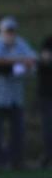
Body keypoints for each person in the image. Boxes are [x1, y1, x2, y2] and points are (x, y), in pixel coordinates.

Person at [0, 16, 37, 168]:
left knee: (17, 132)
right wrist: (19, 61)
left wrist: (17, 66)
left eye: (12, 30)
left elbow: (32, 62)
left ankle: (17, 162)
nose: (10, 33)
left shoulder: (20, 43)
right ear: (1, 31)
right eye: (7, 31)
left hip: (14, 98)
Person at [40, 36, 52, 167]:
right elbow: (45, 58)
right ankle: (48, 156)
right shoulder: (48, 42)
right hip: (48, 94)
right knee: (48, 127)